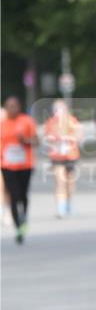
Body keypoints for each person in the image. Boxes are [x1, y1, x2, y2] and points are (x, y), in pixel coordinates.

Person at [0, 96, 38, 244]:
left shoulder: (26, 121)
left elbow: (36, 140)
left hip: (25, 165)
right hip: (7, 165)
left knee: (23, 195)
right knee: (13, 196)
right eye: (9, 106)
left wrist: (26, 140)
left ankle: (24, 217)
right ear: (5, 108)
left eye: (14, 106)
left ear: (19, 107)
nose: (12, 109)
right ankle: (18, 226)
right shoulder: (2, 124)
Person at [43, 99, 81, 218]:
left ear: (66, 109)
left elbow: (78, 136)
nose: (58, 111)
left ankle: (68, 203)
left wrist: (68, 138)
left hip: (71, 155)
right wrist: (55, 138)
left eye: (60, 108)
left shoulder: (72, 120)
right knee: (60, 182)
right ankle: (60, 208)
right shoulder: (50, 122)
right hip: (57, 156)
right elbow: (47, 137)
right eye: (56, 109)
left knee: (70, 183)